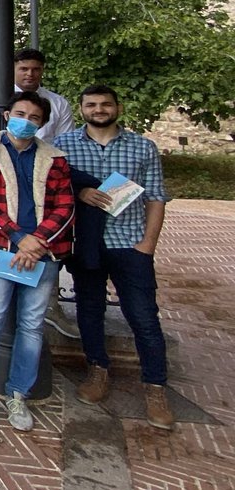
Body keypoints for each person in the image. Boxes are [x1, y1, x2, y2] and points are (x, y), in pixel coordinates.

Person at [54, 85, 174, 430]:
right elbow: (56, 187)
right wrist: (81, 190)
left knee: (144, 316)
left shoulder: (142, 147)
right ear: (82, 109)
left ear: (117, 107)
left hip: (129, 244)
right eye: (91, 104)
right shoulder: (65, 146)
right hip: (87, 243)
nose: (99, 109)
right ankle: (97, 369)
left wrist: (147, 244)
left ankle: (155, 386)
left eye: (105, 104)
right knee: (90, 309)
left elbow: (156, 197)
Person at [0, 92, 75, 439]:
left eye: (34, 117)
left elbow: (64, 206)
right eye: (20, 113)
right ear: (8, 114)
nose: (26, 120)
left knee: (31, 326)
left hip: (43, 252)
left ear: (42, 123)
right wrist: (17, 236)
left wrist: (36, 241)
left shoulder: (54, 159)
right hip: (0, 248)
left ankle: (18, 393)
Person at [0, 49, 79, 340]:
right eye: (24, 69)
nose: (30, 74)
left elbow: (64, 147)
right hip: (6, 197)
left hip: (46, 192)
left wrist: (33, 240)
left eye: (36, 69)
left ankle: (52, 304)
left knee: (31, 321)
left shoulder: (58, 103)